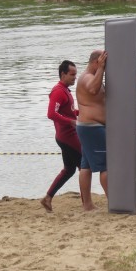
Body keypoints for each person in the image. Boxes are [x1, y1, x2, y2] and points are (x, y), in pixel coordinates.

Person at [41, 60, 82, 212]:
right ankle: (87, 203)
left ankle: (47, 198)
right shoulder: (58, 91)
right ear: (63, 74)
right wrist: (71, 122)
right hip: (67, 137)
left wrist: (81, 112)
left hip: (64, 136)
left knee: (69, 170)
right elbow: (51, 114)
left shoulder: (65, 90)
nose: (75, 77)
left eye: (76, 74)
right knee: (85, 167)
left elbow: (67, 112)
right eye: (72, 75)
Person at [76, 49, 109, 211]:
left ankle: (87, 204)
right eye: (104, 63)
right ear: (97, 62)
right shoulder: (87, 78)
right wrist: (102, 69)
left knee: (86, 165)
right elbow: (93, 90)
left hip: (89, 127)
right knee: (106, 165)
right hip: (91, 127)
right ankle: (114, 200)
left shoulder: (94, 76)